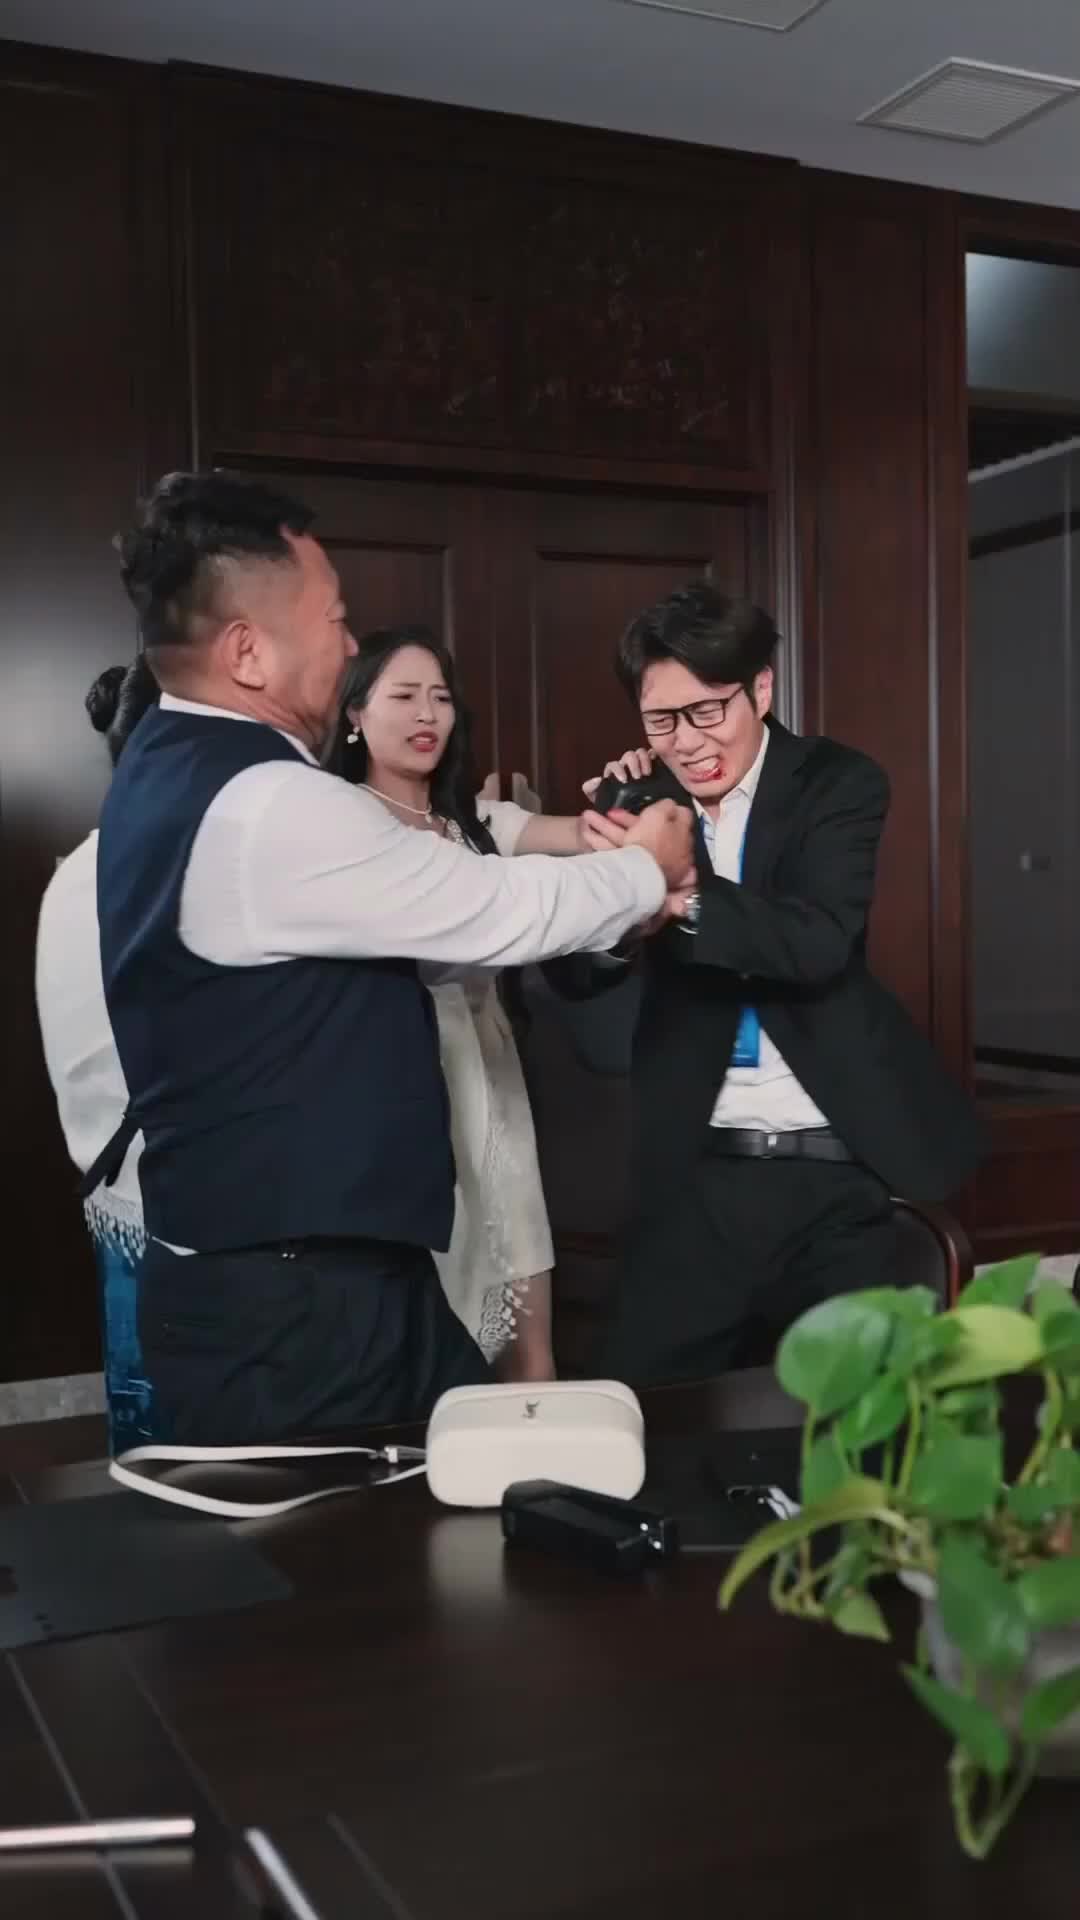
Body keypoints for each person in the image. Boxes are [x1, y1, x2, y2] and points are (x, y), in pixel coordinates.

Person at [88, 470, 694, 1445]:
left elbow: (385, 966)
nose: (346, 647)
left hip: (323, 1276)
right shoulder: (272, 804)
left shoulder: (169, 765)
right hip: (295, 1309)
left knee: (470, 1480)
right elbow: (490, 909)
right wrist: (646, 867)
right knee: (359, 1541)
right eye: (334, 621)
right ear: (247, 651)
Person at [571, 582, 982, 1385]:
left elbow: (817, 938)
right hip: (695, 1172)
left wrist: (676, 894)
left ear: (760, 689)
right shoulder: (641, 800)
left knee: (863, 1421)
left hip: (836, 1172)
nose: (688, 741)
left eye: (707, 710)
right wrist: (616, 906)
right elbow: (579, 975)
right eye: (662, 720)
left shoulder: (838, 782)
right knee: (635, 1411)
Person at [332, 626, 581, 1380]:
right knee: (427, 1333)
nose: (426, 714)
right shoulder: (341, 822)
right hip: (403, 1083)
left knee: (528, 1330)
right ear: (355, 713)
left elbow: (585, 838)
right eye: (404, 696)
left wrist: (634, 798)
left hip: (493, 1076)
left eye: (440, 698)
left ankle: (536, 1447)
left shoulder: (477, 822)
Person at [35, 657, 161, 1450]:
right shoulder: (134, 867)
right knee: (182, 1445)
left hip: (126, 1194)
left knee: (149, 1430)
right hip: (167, 1200)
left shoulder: (87, 865)